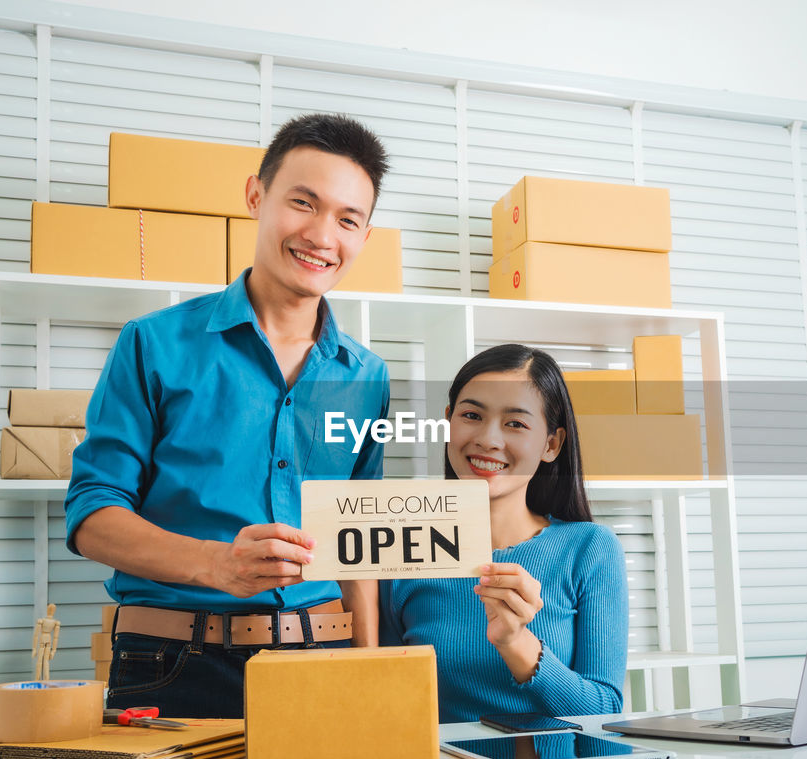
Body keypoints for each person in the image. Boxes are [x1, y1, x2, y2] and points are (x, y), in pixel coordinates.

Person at [65, 113, 391, 718]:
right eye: (304, 202)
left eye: (348, 219)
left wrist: (368, 667)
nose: (323, 235)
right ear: (256, 196)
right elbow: (91, 516)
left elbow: (362, 542)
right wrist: (217, 563)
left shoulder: (367, 378)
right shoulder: (153, 344)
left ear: (365, 237)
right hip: (170, 665)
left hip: (323, 655)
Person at [379, 343, 629, 722]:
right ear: (447, 422)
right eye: (471, 415)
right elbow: (386, 706)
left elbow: (603, 711)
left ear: (551, 444)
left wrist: (516, 642)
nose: (488, 439)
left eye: (515, 423)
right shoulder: (400, 547)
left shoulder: (590, 548)